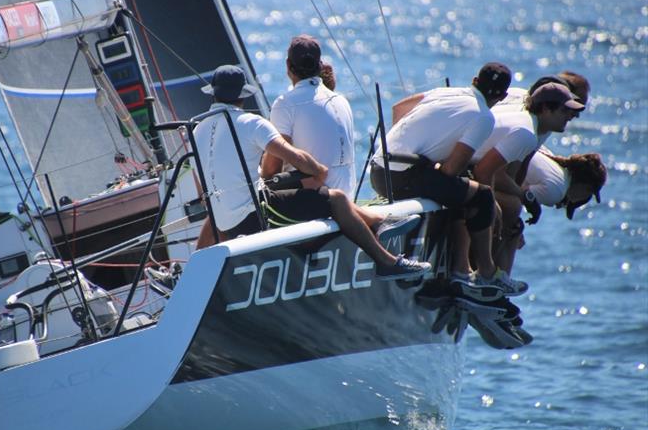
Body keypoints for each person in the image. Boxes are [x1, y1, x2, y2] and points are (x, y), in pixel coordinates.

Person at [193, 64, 430, 280]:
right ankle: (386, 262)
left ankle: (378, 222)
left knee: (285, 186)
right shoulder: (250, 122)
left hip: (224, 224)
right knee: (335, 198)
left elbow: (202, 189)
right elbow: (293, 156)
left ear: (213, 93)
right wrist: (318, 169)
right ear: (242, 96)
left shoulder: (197, 131)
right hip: (256, 217)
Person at [370, 62, 521, 298]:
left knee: (462, 189)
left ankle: (462, 269)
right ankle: (487, 273)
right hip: (400, 177)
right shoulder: (484, 117)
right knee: (482, 196)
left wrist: (416, 145)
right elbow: (451, 170)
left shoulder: (445, 92)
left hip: (379, 166)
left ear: (474, 81)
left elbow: (399, 108)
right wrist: (433, 162)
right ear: (502, 96)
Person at [467, 82, 585, 279]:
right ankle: (482, 273)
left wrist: (524, 199)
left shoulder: (538, 129)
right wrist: (521, 197)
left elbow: (513, 172)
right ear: (546, 109)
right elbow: (489, 172)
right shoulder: (526, 132)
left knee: (514, 216)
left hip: (473, 170)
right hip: (466, 169)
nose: (571, 116)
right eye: (565, 111)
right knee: (510, 207)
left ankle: (496, 278)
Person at [260, 35, 356, 195]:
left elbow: (271, 169)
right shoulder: (341, 100)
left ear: (288, 66)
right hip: (348, 196)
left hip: (318, 202)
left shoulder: (285, 104)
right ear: (320, 65)